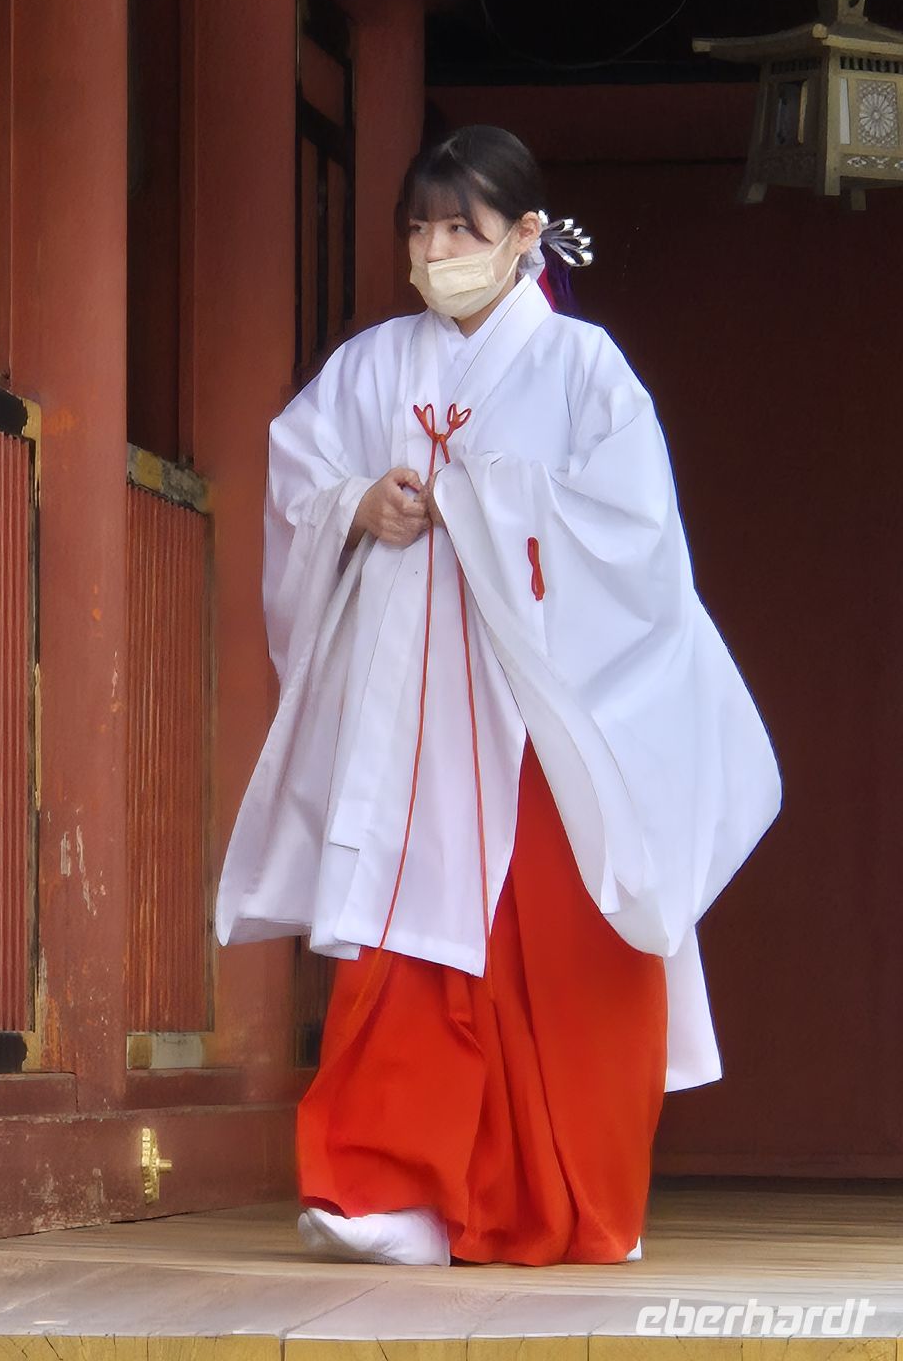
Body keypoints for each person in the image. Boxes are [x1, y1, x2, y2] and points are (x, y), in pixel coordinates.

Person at [215, 125, 781, 1268]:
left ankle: (558, 1198)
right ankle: (388, 1188)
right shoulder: (373, 364)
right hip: (406, 717)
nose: (435, 249)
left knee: (554, 955)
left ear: (524, 237)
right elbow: (298, 482)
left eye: (461, 229)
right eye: (419, 228)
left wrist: (490, 505)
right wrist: (357, 504)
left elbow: (636, 540)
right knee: (397, 944)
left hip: (533, 718)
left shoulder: (585, 369)